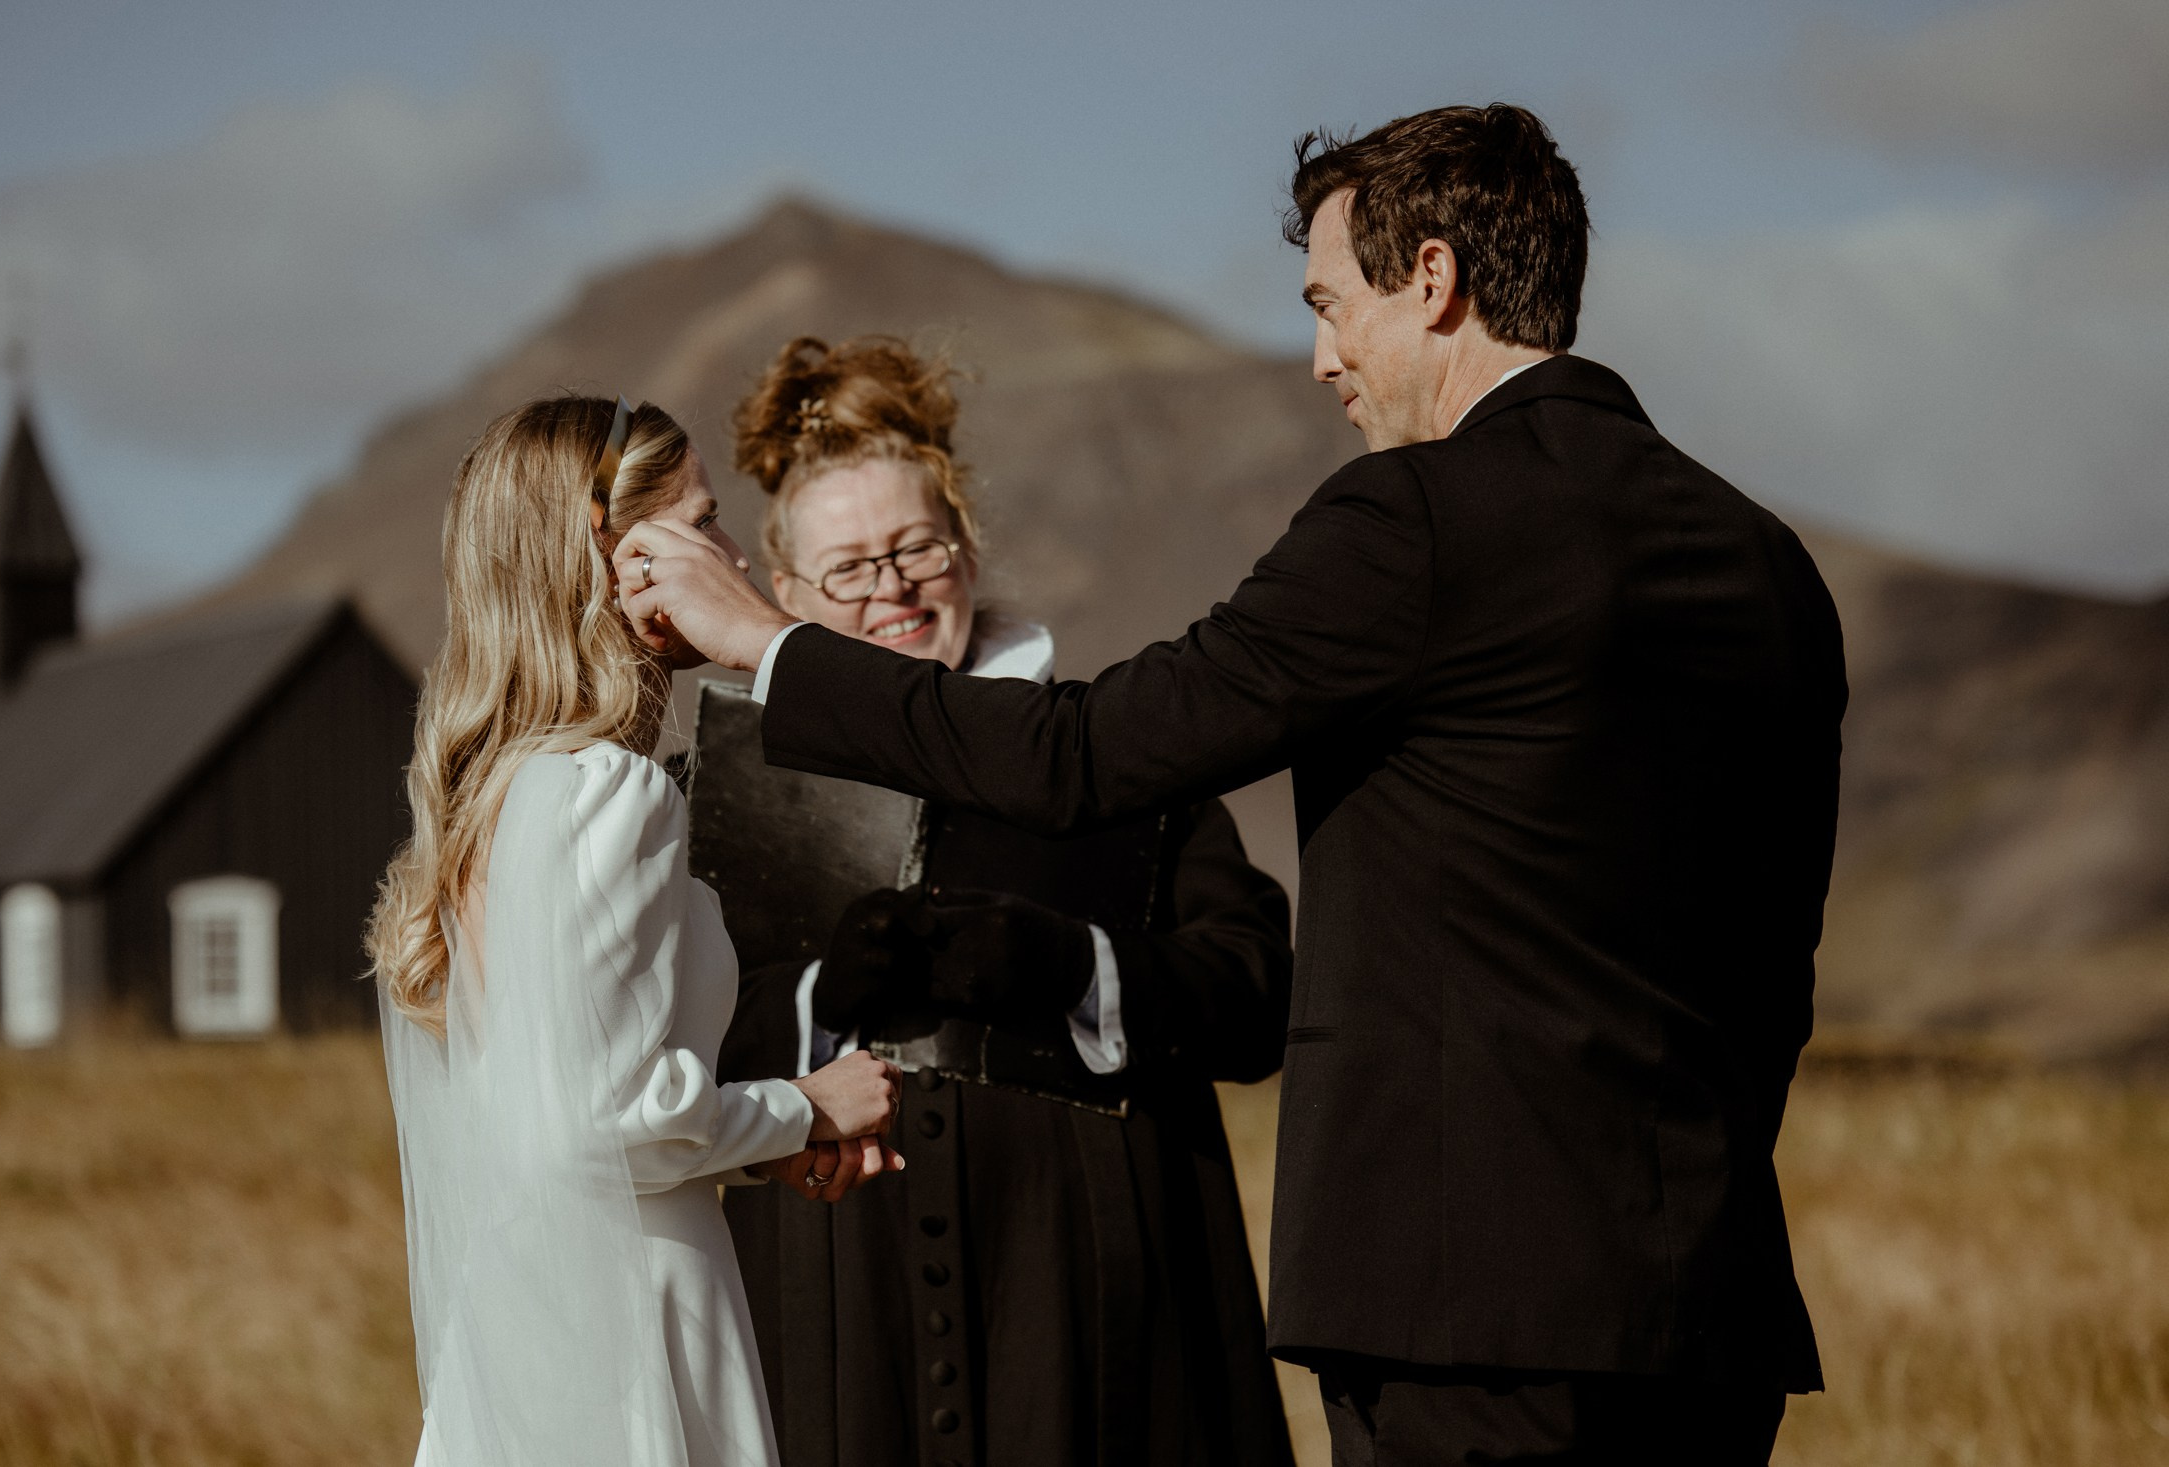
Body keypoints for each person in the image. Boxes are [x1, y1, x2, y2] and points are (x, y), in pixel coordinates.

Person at [616, 104, 1847, 1466]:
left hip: (1465, 1315)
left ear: (1430, 281)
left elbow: (1082, 753)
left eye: (1331, 303)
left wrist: (758, 641)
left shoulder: (1416, 517)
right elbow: (1774, 964)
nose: (1322, 357)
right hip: (1704, 1309)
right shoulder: (1764, 558)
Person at [711, 335, 1298, 1467]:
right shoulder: (735, 791)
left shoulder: (1107, 754)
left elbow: (1259, 995)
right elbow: (673, 1047)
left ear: (967, 548)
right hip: (836, 1302)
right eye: (847, 567)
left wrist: (1077, 968)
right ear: (783, 594)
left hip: (1099, 1299)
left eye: (916, 546)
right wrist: (821, 996)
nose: (891, 586)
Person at [368, 395, 907, 1467]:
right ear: (617, 563)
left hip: (525, 1317)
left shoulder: (500, 797)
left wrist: (750, 1146)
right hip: (630, 1324)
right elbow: (601, 1119)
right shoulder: (608, 794)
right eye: (702, 524)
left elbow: (555, 1103)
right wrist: (803, 1107)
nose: (733, 550)